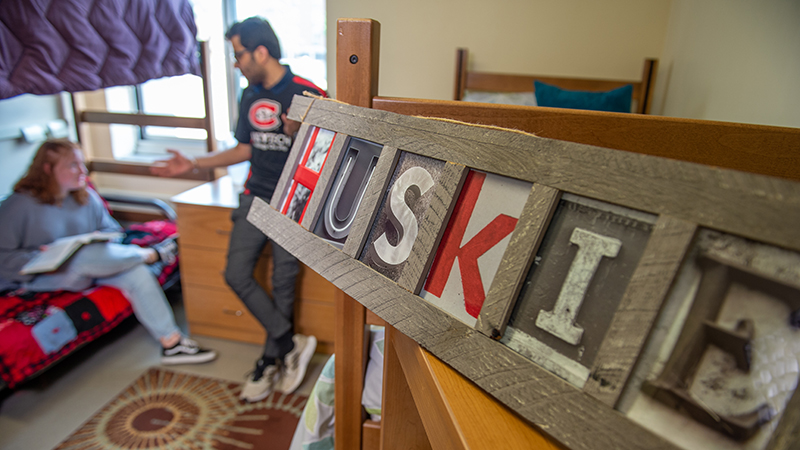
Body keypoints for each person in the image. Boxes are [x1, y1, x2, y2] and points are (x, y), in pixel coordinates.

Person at [151, 16, 324, 402]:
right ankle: (288, 341)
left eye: (238, 53)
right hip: (254, 195)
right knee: (236, 272)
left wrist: (306, 132)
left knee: (283, 281)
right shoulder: (249, 93)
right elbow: (245, 148)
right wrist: (196, 164)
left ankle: (271, 357)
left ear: (260, 51)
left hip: (293, 202)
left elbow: (331, 153)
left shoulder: (309, 93)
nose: (236, 62)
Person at [0, 139, 217, 365]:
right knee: (85, 256)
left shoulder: (85, 197)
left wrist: (94, 240)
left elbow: (112, 231)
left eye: (82, 164)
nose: (82, 171)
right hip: (45, 276)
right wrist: (42, 255)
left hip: (93, 267)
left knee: (136, 273)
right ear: (47, 169)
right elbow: (4, 259)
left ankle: (171, 342)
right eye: (73, 165)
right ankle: (152, 254)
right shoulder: (18, 206)